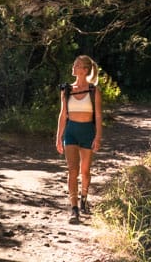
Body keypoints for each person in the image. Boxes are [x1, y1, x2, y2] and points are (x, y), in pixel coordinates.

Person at [56, 55, 103, 224]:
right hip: (71, 132)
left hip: (87, 133)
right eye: (74, 64)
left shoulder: (93, 91)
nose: (74, 67)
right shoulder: (66, 89)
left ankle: (84, 198)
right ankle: (74, 209)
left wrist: (98, 136)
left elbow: (98, 116)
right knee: (72, 170)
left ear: (85, 70)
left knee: (85, 171)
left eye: (77, 65)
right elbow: (63, 115)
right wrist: (58, 137)